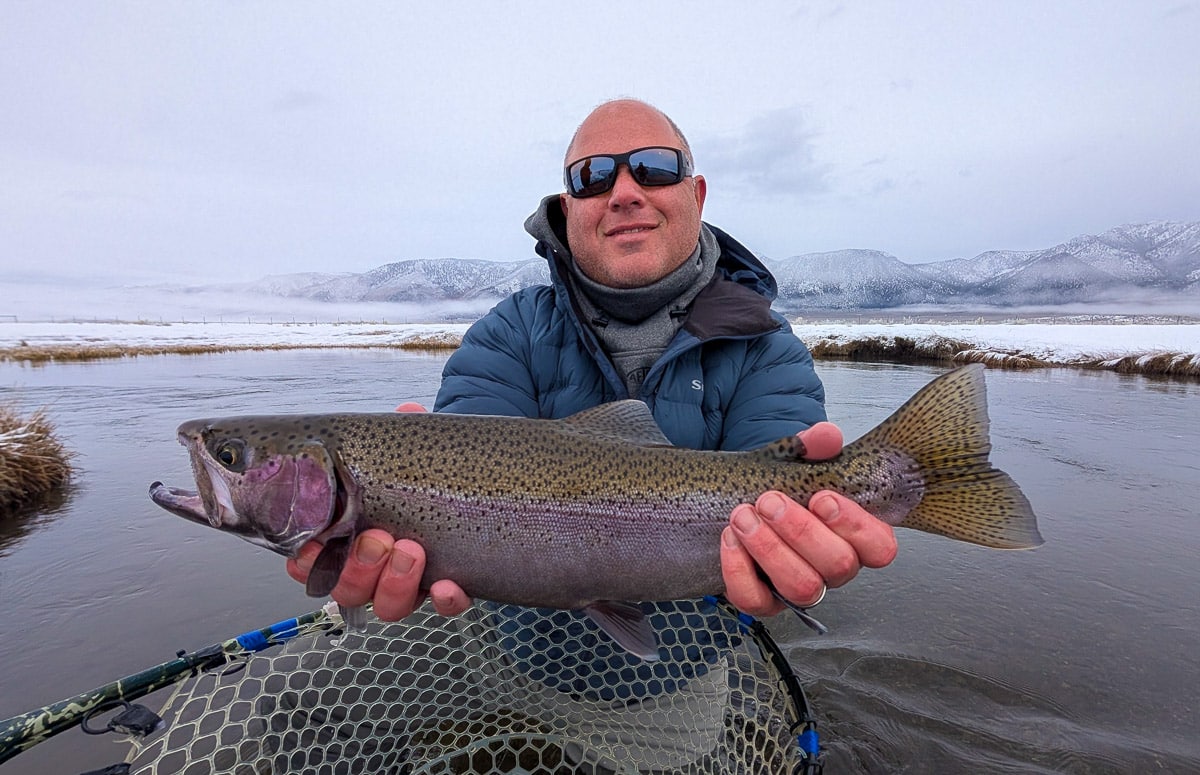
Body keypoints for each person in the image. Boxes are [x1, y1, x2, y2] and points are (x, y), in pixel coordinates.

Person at [287, 97, 896, 640]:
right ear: (566, 208)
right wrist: (407, 486)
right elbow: (472, 455)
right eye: (593, 177)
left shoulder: (767, 345)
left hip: (695, 666)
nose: (624, 191)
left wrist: (800, 560)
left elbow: (781, 499)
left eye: (655, 167)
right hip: (522, 659)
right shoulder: (508, 334)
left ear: (697, 194)